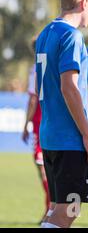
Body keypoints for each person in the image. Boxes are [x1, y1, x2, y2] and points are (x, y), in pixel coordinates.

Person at [35, 0, 88, 228]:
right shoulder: (72, 36)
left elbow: (38, 87)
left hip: (50, 135)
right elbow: (69, 87)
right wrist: (87, 135)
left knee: (58, 209)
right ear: (83, 2)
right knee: (68, 211)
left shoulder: (45, 33)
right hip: (69, 139)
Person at [22, 50, 50, 223]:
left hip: (40, 125)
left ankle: (51, 208)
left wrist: (26, 125)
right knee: (49, 169)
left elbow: (33, 100)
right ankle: (54, 207)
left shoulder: (36, 69)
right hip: (51, 123)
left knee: (43, 170)